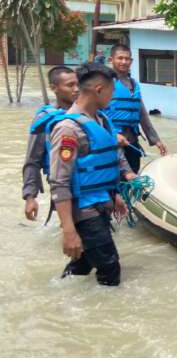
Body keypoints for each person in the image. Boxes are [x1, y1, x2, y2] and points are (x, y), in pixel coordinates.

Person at [48, 63, 137, 286]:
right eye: (111, 91)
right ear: (99, 90)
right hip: (84, 210)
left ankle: (59, 296)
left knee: (85, 262)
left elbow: (109, 160)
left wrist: (115, 194)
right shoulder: (68, 129)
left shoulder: (103, 120)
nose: (113, 97)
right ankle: (110, 315)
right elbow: (59, 182)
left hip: (102, 203)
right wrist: (68, 229)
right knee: (110, 265)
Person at [22, 66, 79, 221]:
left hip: (92, 186)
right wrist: (30, 196)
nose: (76, 89)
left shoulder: (88, 112)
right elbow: (32, 160)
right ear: (54, 88)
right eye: (70, 85)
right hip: (64, 187)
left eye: (78, 84)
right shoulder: (45, 120)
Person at [104, 44, 167, 173]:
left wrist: (155, 139)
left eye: (127, 59)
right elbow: (95, 113)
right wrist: (113, 134)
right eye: (120, 58)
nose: (123, 62)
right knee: (116, 179)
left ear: (131, 61)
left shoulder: (133, 84)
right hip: (112, 141)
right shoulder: (104, 82)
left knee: (133, 179)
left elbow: (142, 114)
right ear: (111, 59)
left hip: (131, 140)